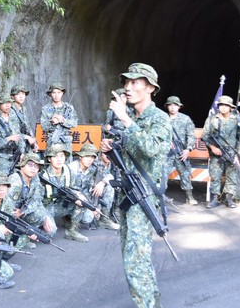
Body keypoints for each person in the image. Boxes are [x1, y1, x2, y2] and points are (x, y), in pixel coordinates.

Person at [100, 62, 172, 308]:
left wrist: (125, 120)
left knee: (135, 263)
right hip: (126, 196)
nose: (127, 88)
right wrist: (108, 149)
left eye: (134, 83)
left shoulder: (159, 119)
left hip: (143, 199)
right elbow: (123, 150)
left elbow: (151, 148)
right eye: (126, 83)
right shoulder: (127, 118)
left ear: (150, 87)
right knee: (133, 261)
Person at [201, 95, 240, 209]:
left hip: (232, 153)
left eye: (226, 105)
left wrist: (239, 155)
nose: (223, 107)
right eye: (221, 105)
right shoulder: (212, 119)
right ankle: (214, 198)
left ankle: (229, 199)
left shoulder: (237, 120)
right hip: (216, 153)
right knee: (215, 175)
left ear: (231, 107)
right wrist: (212, 147)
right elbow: (205, 136)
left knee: (232, 176)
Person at [40, 144, 89, 242]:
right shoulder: (43, 176)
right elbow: (37, 201)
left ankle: (71, 231)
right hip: (48, 207)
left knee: (85, 211)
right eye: (55, 156)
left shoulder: (69, 171)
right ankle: (37, 226)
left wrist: (78, 196)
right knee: (50, 232)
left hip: (63, 204)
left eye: (62, 156)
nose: (59, 159)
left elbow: (75, 188)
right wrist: (43, 217)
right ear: (49, 159)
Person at [69, 144, 119, 231]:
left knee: (109, 187)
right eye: (87, 156)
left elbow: (110, 176)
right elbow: (68, 188)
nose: (90, 160)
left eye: (92, 157)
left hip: (87, 197)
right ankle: (69, 219)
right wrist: (91, 208)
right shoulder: (71, 168)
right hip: (73, 199)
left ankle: (104, 219)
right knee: (88, 218)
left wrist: (102, 183)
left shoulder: (94, 166)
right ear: (80, 156)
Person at [8, 153, 54, 244]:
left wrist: (23, 211)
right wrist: (16, 214)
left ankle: (27, 234)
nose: (33, 168)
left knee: (51, 230)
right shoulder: (15, 181)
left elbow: (37, 199)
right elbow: (7, 205)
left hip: (21, 212)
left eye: (36, 166)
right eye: (30, 165)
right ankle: (21, 236)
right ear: (22, 166)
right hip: (10, 212)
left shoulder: (34, 178)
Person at [164, 96, 197, 205]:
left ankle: (189, 196)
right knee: (162, 174)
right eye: (170, 105)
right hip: (166, 152)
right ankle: (160, 196)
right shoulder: (163, 118)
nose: (173, 108)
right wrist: (166, 143)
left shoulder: (185, 119)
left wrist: (188, 149)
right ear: (167, 106)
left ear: (179, 106)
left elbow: (191, 135)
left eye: (175, 105)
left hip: (180, 152)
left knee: (185, 174)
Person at [0, 93, 24, 175]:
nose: (8, 105)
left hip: (17, 158)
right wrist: (8, 139)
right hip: (2, 160)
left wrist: (22, 152)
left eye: (9, 103)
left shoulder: (14, 118)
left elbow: (20, 136)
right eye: (5, 103)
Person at [40, 82, 78, 156]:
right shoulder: (45, 109)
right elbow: (44, 126)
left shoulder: (69, 107)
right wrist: (53, 122)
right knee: (50, 162)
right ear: (50, 94)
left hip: (66, 141)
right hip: (52, 140)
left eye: (59, 92)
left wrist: (62, 120)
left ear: (62, 93)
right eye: (54, 93)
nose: (56, 95)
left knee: (66, 164)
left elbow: (74, 123)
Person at [9, 85, 37, 152]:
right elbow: (14, 133)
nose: (21, 96)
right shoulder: (10, 110)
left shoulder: (23, 109)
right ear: (12, 96)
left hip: (25, 145)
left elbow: (28, 127)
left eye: (23, 94)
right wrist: (27, 137)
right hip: (15, 147)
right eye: (18, 94)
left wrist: (33, 142)